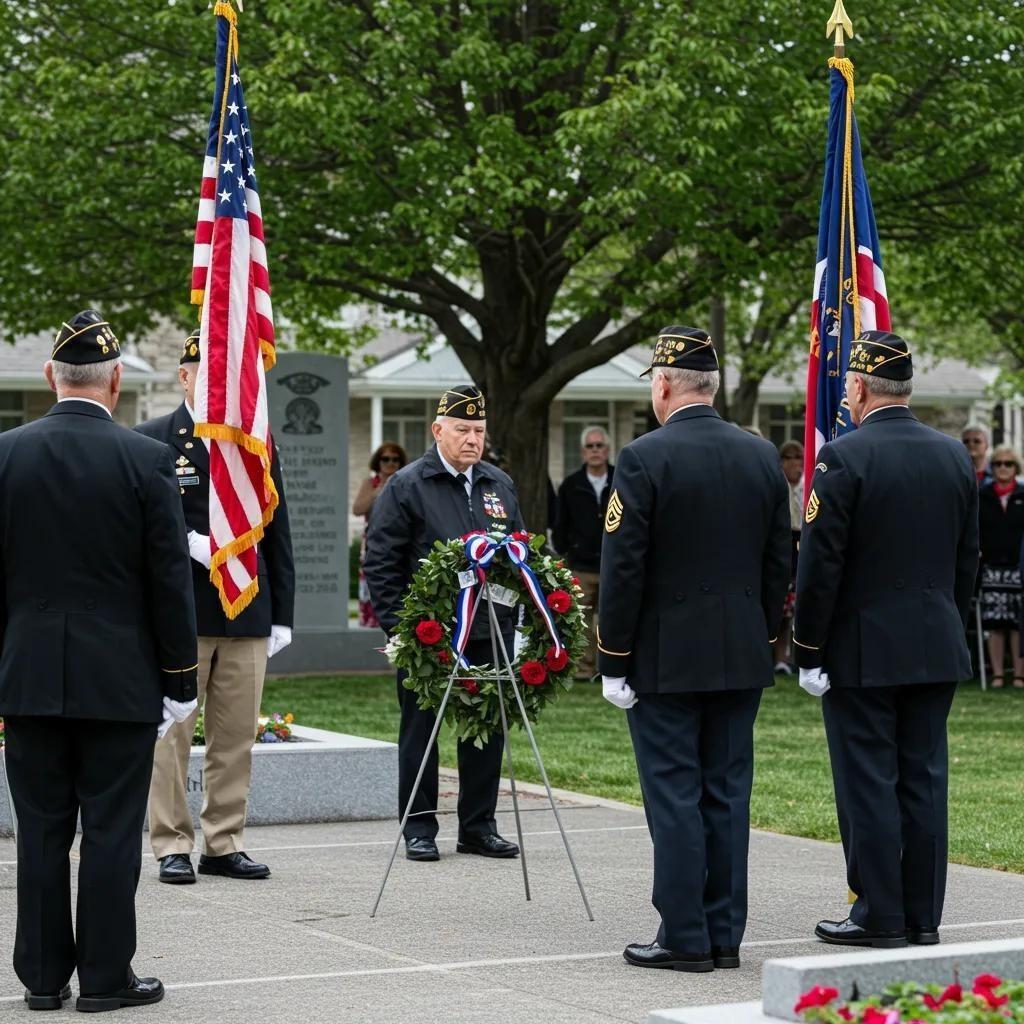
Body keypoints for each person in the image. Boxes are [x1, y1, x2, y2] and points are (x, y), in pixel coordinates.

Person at [0, 310, 198, 1011]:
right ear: (115, 381)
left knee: (42, 833)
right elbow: (169, 579)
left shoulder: (5, 453)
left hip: (26, 679)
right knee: (111, 834)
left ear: (52, 376)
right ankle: (106, 980)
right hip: (119, 679)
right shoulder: (146, 460)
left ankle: (43, 981)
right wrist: (181, 680)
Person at [598, 326, 791, 973]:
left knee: (676, 794)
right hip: (741, 654)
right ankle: (723, 933)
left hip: (667, 658)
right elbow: (778, 564)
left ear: (662, 385)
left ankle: (684, 935)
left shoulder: (644, 458)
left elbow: (623, 570)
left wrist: (613, 659)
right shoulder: (763, 456)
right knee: (728, 794)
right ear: (708, 386)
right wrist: (763, 640)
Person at [793, 331, 978, 949]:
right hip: (934, 641)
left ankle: (880, 914)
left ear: (861, 388)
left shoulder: (842, 458)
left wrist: (809, 649)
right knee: (923, 779)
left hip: (864, 649)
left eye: (848, 382)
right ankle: (922, 916)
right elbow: (966, 562)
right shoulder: (954, 456)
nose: (845, 391)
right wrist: (945, 619)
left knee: (869, 780)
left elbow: (821, 566)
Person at [137, 331, 295, 885]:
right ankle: (171, 843)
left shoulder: (254, 442)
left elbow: (279, 533)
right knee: (173, 736)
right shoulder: (154, 440)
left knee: (234, 737)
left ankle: (224, 843)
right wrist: (188, 540)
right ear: (184, 375)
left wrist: (282, 615)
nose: (218, 384)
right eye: (207, 372)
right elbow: (140, 527)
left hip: (247, 610)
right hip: (182, 613)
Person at [364, 384, 523, 863]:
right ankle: (419, 826)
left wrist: (517, 623)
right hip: (430, 635)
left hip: (489, 629)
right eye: (462, 430)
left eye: (478, 430)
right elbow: (381, 563)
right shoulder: (408, 485)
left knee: (485, 729)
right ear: (438, 431)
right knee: (422, 731)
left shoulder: (499, 484)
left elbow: (519, 557)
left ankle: (478, 826)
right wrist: (401, 630)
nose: (472, 439)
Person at [554, 426, 615, 679]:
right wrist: (568, 551)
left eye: (599, 445)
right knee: (582, 622)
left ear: (607, 449)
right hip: (581, 565)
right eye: (590, 446)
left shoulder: (621, 479)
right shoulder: (571, 485)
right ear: (582, 451)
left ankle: (610, 668)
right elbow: (560, 524)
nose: (595, 451)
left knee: (612, 620)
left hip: (614, 565)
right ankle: (584, 670)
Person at [978, 445, 1024, 688]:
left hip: (1019, 567)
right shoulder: (982, 496)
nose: (1003, 468)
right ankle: (996, 673)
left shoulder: (1023, 494)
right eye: (997, 464)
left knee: (1018, 622)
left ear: (1016, 468)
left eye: (1008, 464)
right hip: (991, 567)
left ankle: (1018, 674)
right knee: (994, 622)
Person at [353, 442, 409, 628]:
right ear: (378, 461)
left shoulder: (405, 482)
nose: (390, 463)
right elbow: (357, 509)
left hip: (400, 541)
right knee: (373, 582)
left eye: (395, 459)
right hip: (373, 542)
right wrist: (379, 491)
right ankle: (369, 627)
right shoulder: (370, 484)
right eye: (386, 459)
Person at [774, 440, 804, 674]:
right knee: (782, 607)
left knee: (798, 606)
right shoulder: (777, 486)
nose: (796, 463)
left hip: (803, 546)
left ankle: (798, 656)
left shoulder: (810, 486)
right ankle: (779, 657)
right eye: (790, 457)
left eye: (799, 457)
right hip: (782, 545)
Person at [961, 423, 992, 487]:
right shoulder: (955, 472)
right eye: (966, 441)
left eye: (977, 441)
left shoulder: (998, 472)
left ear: (987, 445)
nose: (971, 444)